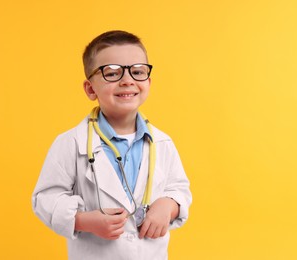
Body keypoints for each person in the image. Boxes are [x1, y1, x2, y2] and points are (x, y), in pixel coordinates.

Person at [32, 30, 192, 260]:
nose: (127, 80)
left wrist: (169, 205)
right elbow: (46, 198)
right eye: (112, 73)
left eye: (137, 71)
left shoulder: (163, 143)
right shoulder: (70, 143)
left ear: (148, 81)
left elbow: (179, 189)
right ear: (90, 89)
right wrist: (84, 221)